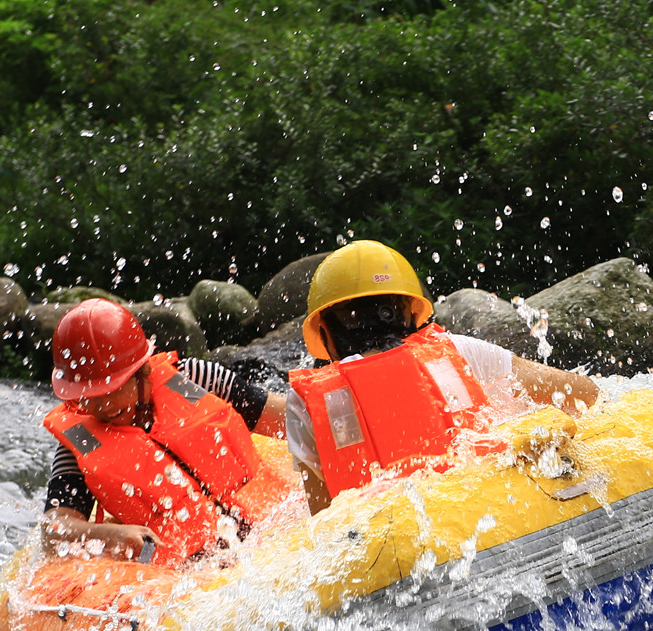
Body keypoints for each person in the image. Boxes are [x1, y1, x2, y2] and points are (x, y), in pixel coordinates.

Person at [284, 241, 599, 513]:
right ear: (410, 311)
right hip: (488, 514)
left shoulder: (303, 402)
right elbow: (585, 395)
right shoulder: (458, 351)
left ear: (324, 333)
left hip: (387, 554)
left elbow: (323, 521)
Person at [39, 298, 296, 566]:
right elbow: (53, 532)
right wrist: (110, 535)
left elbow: (290, 420)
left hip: (274, 530)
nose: (102, 405)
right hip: (190, 573)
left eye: (113, 389)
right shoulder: (81, 440)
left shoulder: (193, 378)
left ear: (142, 369)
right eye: (87, 396)